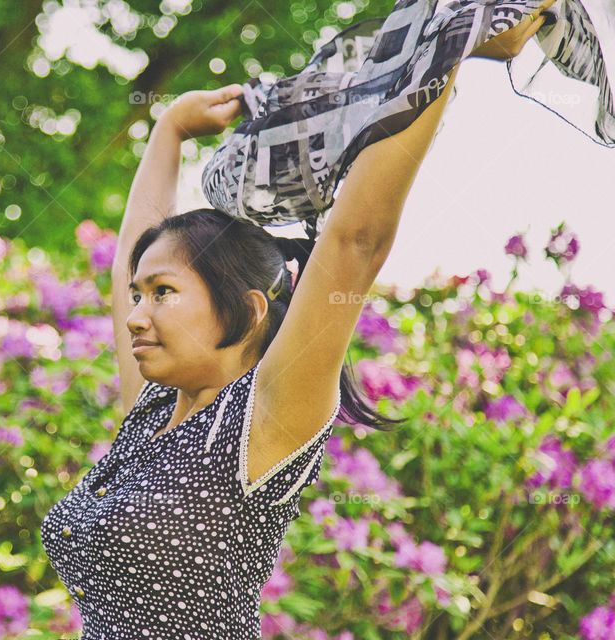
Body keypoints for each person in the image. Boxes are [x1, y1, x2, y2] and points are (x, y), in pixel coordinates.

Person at [41, 2, 557, 638]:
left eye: (162, 293)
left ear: (249, 309)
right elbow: (132, 254)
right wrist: (169, 129)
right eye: (136, 296)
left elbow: (354, 240)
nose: (136, 316)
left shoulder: (262, 421)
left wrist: (447, 47)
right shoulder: (151, 415)